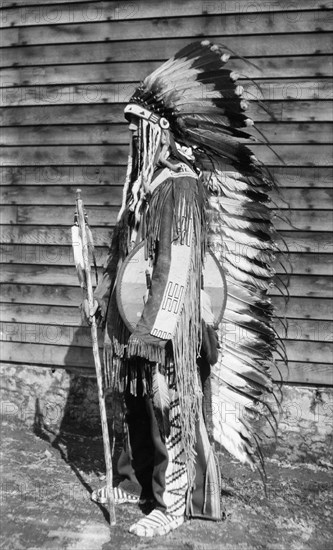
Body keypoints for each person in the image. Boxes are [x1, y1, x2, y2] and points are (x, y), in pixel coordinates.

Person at [84, 40, 280, 537]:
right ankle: (134, 483)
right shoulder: (145, 185)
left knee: (167, 407)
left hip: (168, 325)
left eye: (139, 128)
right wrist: (104, 296)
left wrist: (157, 328)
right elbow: (130, 256)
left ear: (161, 132)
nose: (133, 136)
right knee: (133, 399)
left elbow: (179, 262)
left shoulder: (180, 186)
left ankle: (174, 504)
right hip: (135, 317)